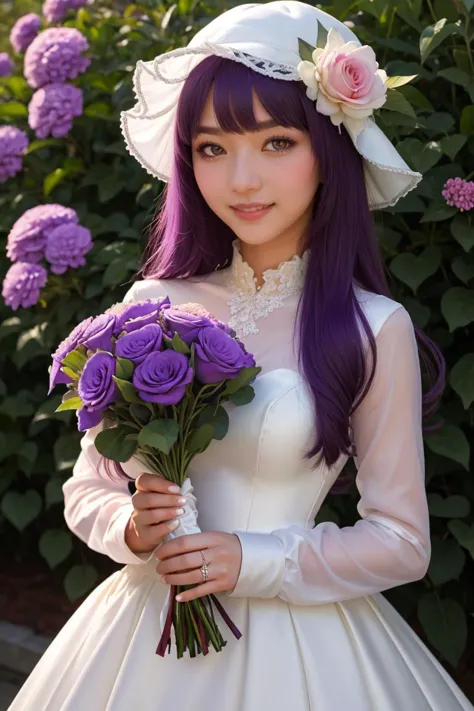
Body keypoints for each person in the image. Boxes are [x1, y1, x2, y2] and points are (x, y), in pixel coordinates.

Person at [8, 1, 473, 709]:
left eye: (276, 142)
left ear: (331, 148)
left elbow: (402, 541)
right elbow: (87, 487)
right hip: (143, 631)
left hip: (304, 651)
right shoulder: (152, 302)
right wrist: (134, 525)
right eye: (211, 147)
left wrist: (251, 559)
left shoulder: (374, 325)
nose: (241, 179)